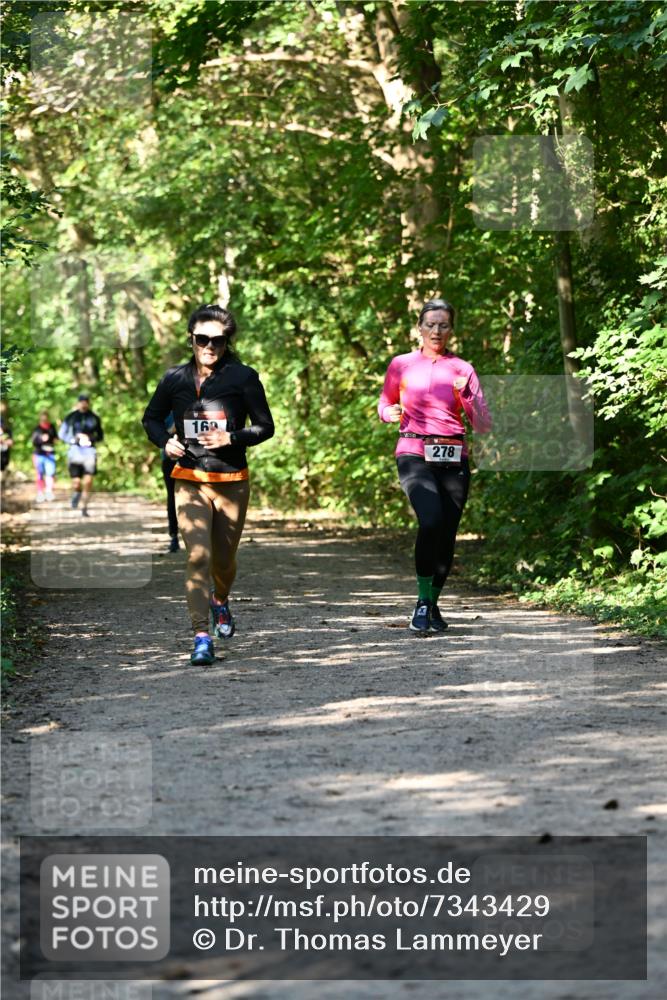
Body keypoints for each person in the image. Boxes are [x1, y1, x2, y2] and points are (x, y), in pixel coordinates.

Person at [142, 303, 275, 666]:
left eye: (218, 340)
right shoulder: (175, 378)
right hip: (189, 478)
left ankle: (220, 600)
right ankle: (201, 635)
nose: (209, 346)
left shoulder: (244, 377)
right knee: (198, 556)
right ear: (191, 339)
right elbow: (151, 419)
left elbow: (265, 426)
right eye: (202, 339)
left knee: (225, 561)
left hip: (231, 480)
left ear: (227, 341)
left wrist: (232, 437)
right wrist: (163, 441)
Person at [378, 298, 492, 635]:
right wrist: (389, 413)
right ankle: (423, 603)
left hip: (453, 454)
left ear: (451, 330)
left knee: (447, 533)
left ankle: (433, 603)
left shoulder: (463, 368)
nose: (436, 331)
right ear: (419, 328)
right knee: (431, 521)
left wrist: (467, 396)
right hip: (414, 451)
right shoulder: (401, 364)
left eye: (443, 325)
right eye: (431, 324)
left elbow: (483, 424)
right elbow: (386, 402)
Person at [58, 393, 104, 516]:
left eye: (86, 401)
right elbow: (61, 434)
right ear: (78, 403)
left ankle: (84, 507)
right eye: (82, 401)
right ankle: (76, 493)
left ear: (88, 403)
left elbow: (100, 436)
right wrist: (73, 439)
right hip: (75, 451)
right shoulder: (71, 417)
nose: (84, 404)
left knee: (88, 481)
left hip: (89, 451)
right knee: (76, 482)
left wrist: (90, 438)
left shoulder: (94, 418)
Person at [161, 413, 180, 552]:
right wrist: (172, 430)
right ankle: (174, 536)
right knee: (172, 497)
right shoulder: (164, 411)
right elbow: (157, 435)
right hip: (170, 461)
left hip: (193, 461)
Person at [31, 410, 58, 502]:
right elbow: (33, 441)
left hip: (50, 453)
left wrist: (54, 440)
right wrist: (40, 439)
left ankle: (49, 491)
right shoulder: (37, 428)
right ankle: (40, 492)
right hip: (39, 454)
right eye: (43, 417)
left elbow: (56, 439)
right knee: (40, 474)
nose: (44, 418)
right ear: (40, 418)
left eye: (46, 417)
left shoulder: (52, 427)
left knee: (50, 473)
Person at [0, 400, 13, 474]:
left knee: (4, 466)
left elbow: (11, 442)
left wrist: (4, 441)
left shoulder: (8, 431)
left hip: (5, 453)